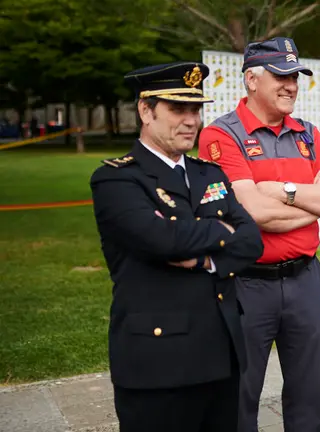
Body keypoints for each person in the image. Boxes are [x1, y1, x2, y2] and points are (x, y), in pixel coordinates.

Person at [89, 61, 264, 432]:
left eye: (196, 109)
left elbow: (251, 241)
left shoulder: (209, 173)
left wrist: (204, 260)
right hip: (158, 364)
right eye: (177, 109)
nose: (191, 120)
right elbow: (160, 240)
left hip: (221, 356)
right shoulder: (116, 179)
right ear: (145, 110)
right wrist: (220, 227)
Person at [197, 37, 320, 432]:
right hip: (246, 285)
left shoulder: (307, 133)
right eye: (280, 76)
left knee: (309, 398)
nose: (291, 85)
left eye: (295, 76)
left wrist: (284, 192)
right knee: (237, 398)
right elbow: (252, 212)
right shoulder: (221, 136)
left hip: (304, 281)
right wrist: (317, 204)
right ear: (251, 80)